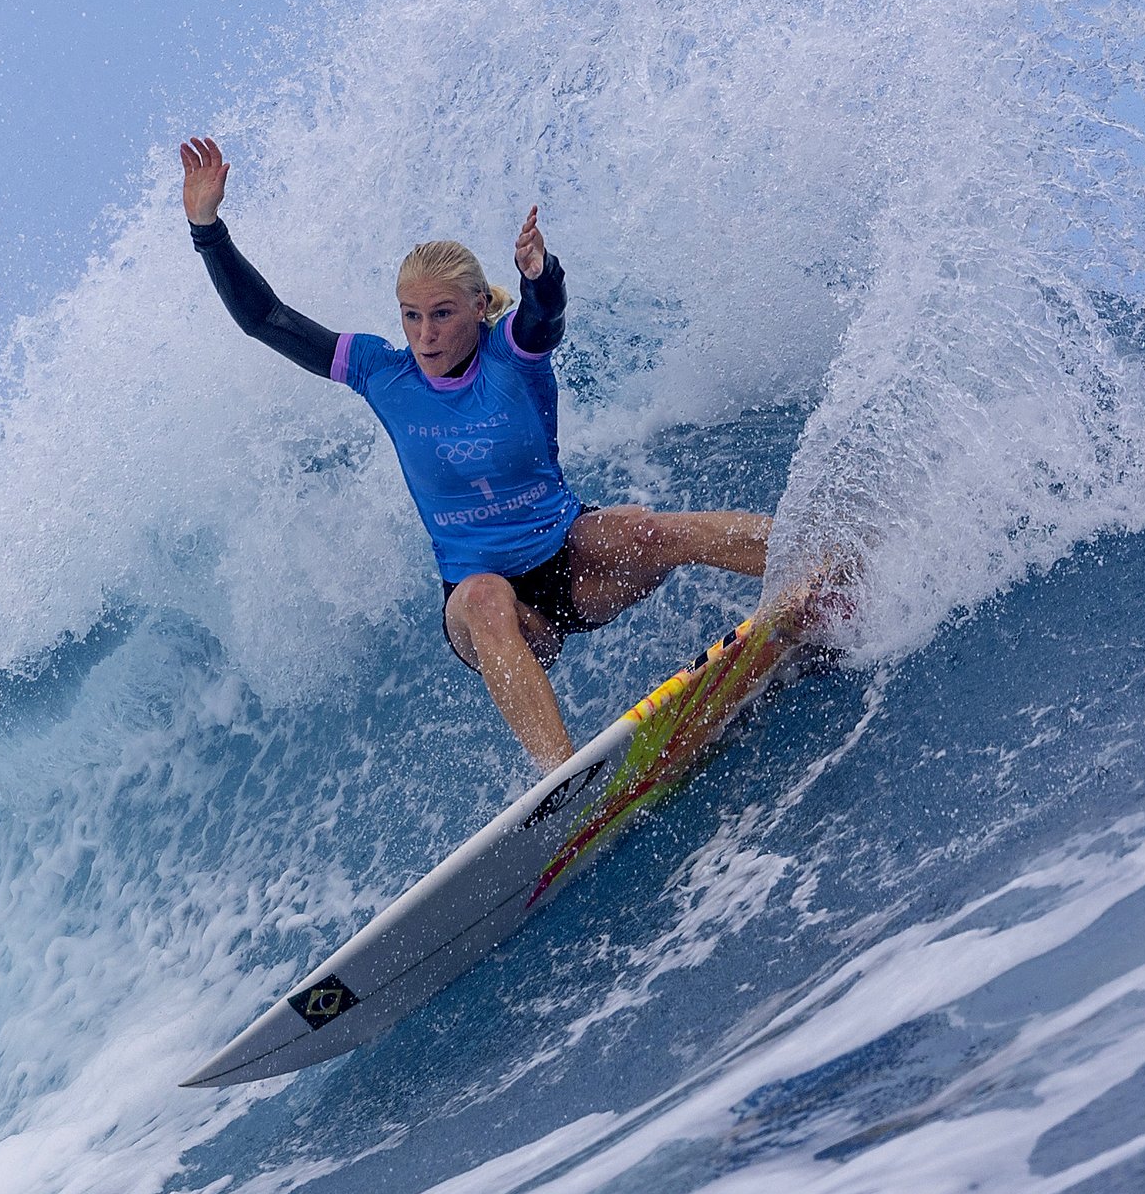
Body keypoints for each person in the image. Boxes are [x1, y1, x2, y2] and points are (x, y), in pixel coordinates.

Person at [179, 135, 771, 771]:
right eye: (411, 316)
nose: (425, 334)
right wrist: (206, 228)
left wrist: (540, 276)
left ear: (479, 306)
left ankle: (816, 562)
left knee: (645, 528)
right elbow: (265, 317)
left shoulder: (512, 355)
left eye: (440, 314)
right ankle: (566, 783)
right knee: (487, 597)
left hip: (573, 568)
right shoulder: (382, 373)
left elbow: (545, 317)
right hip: (484, 607)